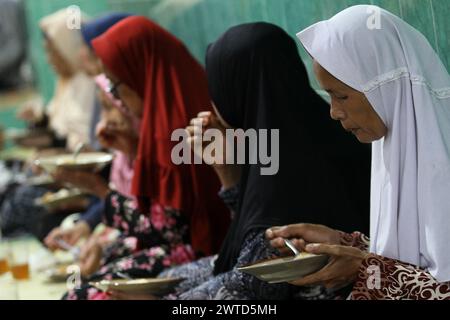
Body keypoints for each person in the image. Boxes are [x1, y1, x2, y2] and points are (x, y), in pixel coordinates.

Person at [111, 22, 371, 300]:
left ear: (233, 92)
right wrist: (228, 171)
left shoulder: (283, 167)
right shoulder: (306, 131)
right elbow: (242, 250)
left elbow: (247, 285)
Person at [267, 5, 450, 300]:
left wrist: (365, 269)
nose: (334, 112)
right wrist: (345, 243)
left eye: (341, 95)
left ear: (385, 89)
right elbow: (416, 263)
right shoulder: (390, 148)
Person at [59, 16, 230, 300]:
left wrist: (98, 190)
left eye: (117, 86)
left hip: (199, 255)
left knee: (86, 293)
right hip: (173, 249)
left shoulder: (173, 132)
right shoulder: (158, 122)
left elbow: (169, 234)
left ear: (140, 75)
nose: (117, 97)